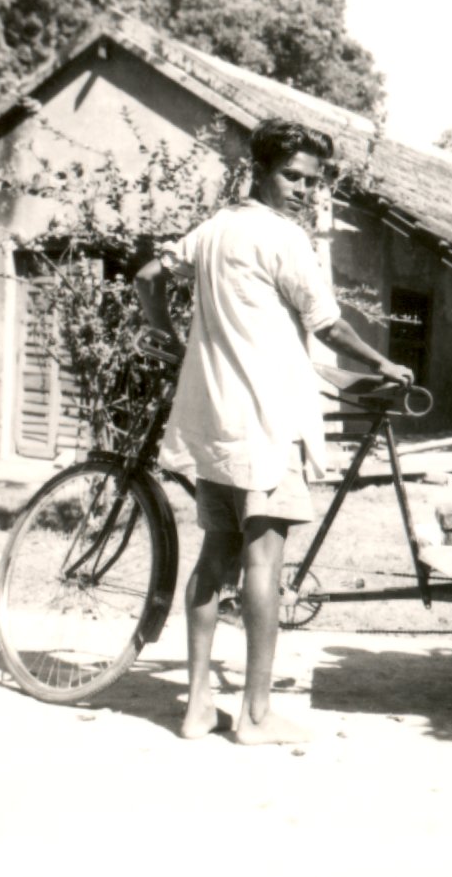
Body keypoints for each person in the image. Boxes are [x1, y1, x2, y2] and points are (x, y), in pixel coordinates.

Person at [135, 118, 413, 744]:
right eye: (293, 176)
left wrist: (168, 336)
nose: (305, 191)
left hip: (213, 420)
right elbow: (329, 325)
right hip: (265, 423)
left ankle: (199, 705)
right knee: (263, 559)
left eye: (313, 182)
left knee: (215, 553)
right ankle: (256, 716)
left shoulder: (214, 229)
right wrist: (384, 363)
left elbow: (147, 278)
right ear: (260, 170)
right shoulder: (287, 240)